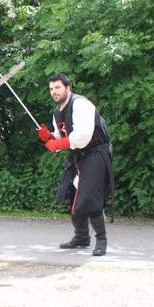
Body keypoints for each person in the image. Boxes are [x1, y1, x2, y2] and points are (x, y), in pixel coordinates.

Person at [37, 73, 112, 256]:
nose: (54, 92)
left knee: (88, 197)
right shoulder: (58, 112)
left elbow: (82, 136)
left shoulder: (80, 104)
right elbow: (61, 136)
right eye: (51, 89)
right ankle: (81, 237)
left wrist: (57, 144)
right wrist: (49, 136)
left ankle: (101, 240)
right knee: (71, 194)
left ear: (68, 88)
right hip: (79, 156)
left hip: (96, 152)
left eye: (57, 88)